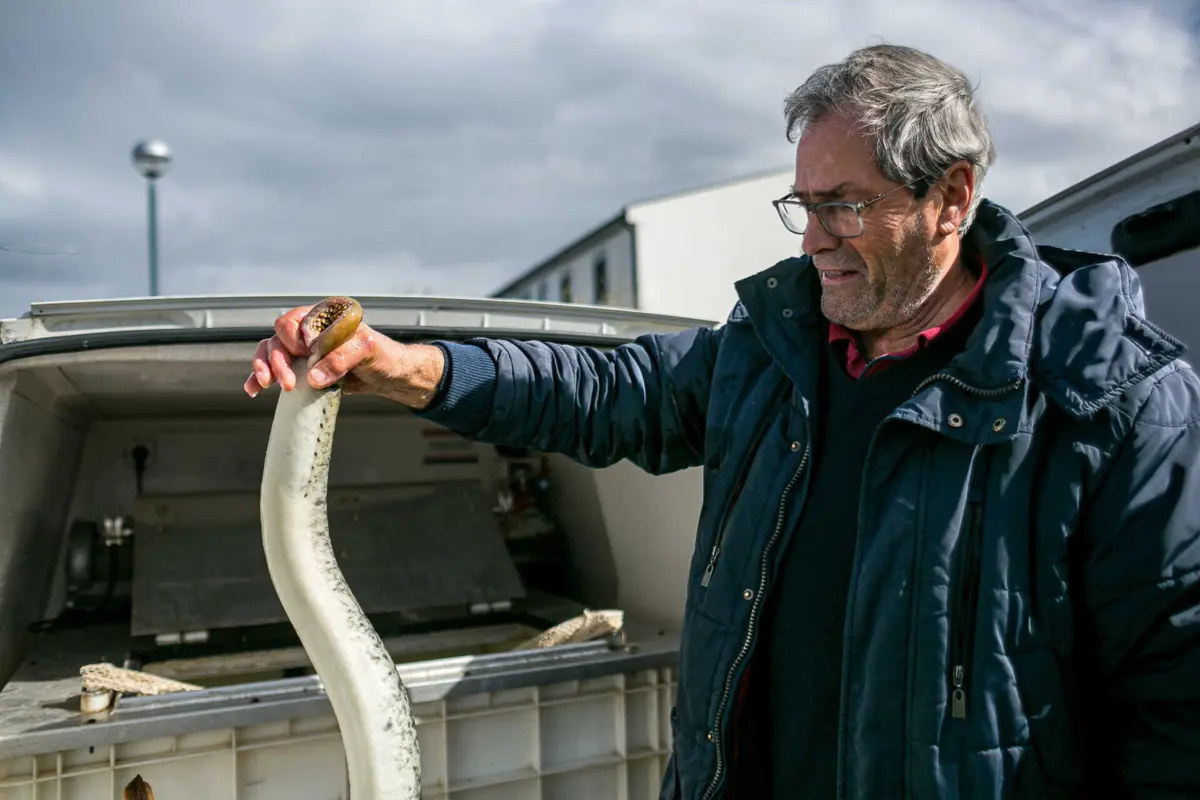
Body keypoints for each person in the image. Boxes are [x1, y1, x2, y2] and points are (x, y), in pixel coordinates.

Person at [245, 44, 1200, 799]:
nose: (815, 237)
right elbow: (604, 392)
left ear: (951, 196)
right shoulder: (769, 353)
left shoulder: (1106, 400)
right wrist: (407, 368)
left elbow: (1175, 705)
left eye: (847, 205)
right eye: (804, 204)